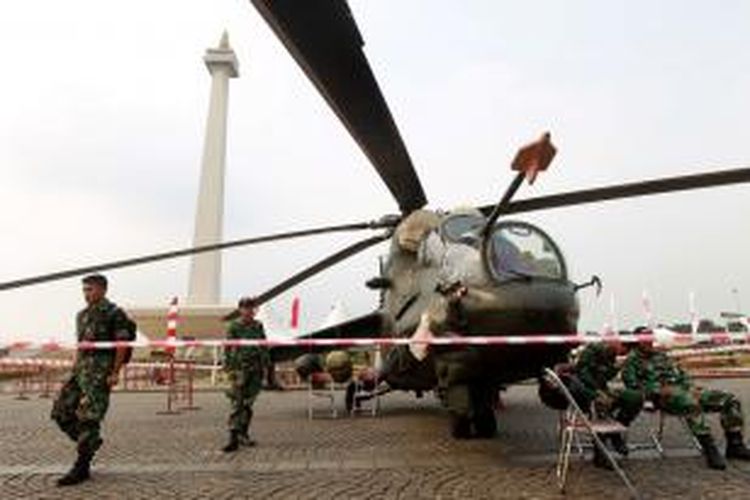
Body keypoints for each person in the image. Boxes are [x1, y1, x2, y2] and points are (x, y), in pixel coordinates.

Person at [51, 274, 133, 486]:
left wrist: (115, 372)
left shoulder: (114, 313)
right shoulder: (81, 315)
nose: (86, 294)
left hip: (99, 375)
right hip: (80, 373)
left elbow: (121, 345)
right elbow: (81, 345)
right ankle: (91, 441)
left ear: (103, 289)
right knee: (61, 411)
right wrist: (73, 369)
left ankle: (82, 466)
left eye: (90, 289)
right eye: (84, 290)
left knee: (89, 418)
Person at [622, 336, 750, 469]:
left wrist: (689, 387)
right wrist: (656, 391)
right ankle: (709, 448)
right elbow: (633, 388)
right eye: (644, 339)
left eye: (650, 338)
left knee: (730, 400)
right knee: (690, 404)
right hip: (664, 397)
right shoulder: (631, 361)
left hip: (687, 391)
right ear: (637, 341)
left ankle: (735, 445)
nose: (649, 341)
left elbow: (682, 375)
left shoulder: (663, 356)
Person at [567, 342, 643, 469]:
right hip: (584, 393)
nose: (623, 353)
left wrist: (616, 367)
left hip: (601, 391)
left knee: (634, 397)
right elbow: (581, 374)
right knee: (600, 406)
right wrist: (597, 392)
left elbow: (604, 378)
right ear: (618, 343)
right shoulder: (592, 350)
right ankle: (600, 456)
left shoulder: (611, 354)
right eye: (624, 350)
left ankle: (616, 432)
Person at [222, 296, 268, 452]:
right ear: (240, 309)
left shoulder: (258, 326)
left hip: (255, 370)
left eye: (251, 308)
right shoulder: (234, 326)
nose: (249, 311)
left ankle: (244, 434)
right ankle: (232, 437)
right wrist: (228, 367)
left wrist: (266, 367)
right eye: (246, 307)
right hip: (239, 369)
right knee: (237, 403)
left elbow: (263, 346)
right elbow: (228, 348)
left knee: (248, 404)